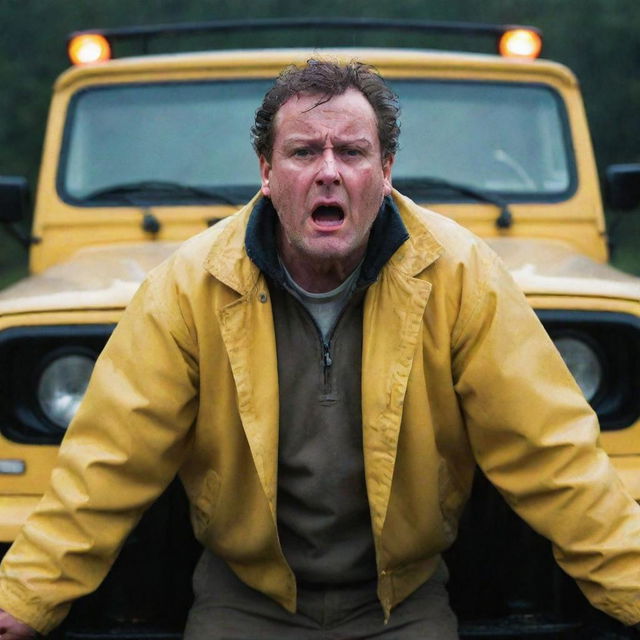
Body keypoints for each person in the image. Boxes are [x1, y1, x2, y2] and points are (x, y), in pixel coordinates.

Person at [1, 59, 640, 639]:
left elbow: (553, 453)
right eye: (304, 151)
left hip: (402, 598)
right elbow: (110, 459)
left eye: (353, 152)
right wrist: (24, 600)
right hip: (246, 596)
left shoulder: (460, 274)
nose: (329, 170)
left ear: (386, 171)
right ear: (266, 173)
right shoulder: (189, 284)